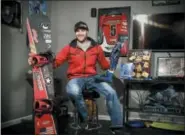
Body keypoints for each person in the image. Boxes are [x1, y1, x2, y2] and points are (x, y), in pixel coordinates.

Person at [28, 21, 123, 134]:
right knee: (73, 90)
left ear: (87, 31)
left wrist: (113, 59)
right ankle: (85, 118)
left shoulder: (96, 48)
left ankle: (116, 126)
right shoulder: (69, 48)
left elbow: (104, 66)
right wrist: (37, 61)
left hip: (93, 78)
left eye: (82, 30)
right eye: (77, 31)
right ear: (75, 33)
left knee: (111, 92)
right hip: (76, 79)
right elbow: (55, 63)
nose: (80, 33)